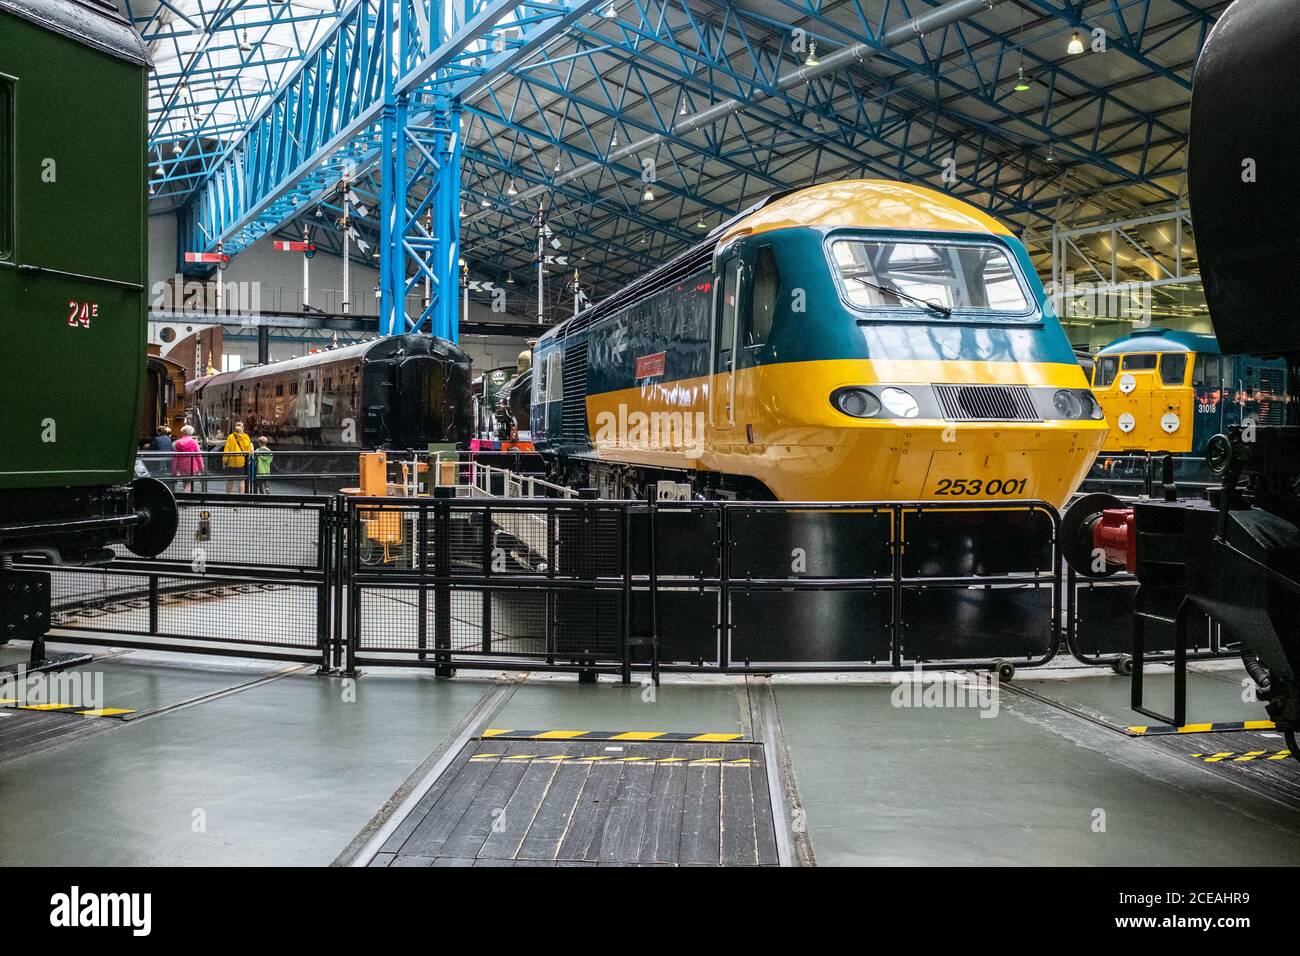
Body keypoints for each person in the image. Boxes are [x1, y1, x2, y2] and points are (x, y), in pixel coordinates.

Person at [171, 424, 205, 493]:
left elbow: (176, 456)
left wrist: (174, 468)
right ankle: (186, 496)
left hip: (181, 465)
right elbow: (198, 455)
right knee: (188, 483)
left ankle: (186, 495)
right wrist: (201, 467)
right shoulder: (194, 442)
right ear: (191, 433)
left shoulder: (178, 442)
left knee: (184, 482)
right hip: (192, 465)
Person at [222, 421, 254, 493]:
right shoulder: (246, 437)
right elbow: (249, 450)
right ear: (243, 428)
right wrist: (248, 459)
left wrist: (224, 461)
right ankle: (241, 496)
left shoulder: (230, 437)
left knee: (230, 479)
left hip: (231, 461)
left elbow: (227, 450)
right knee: (241, 480)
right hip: (242, 461)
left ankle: (228, 495)